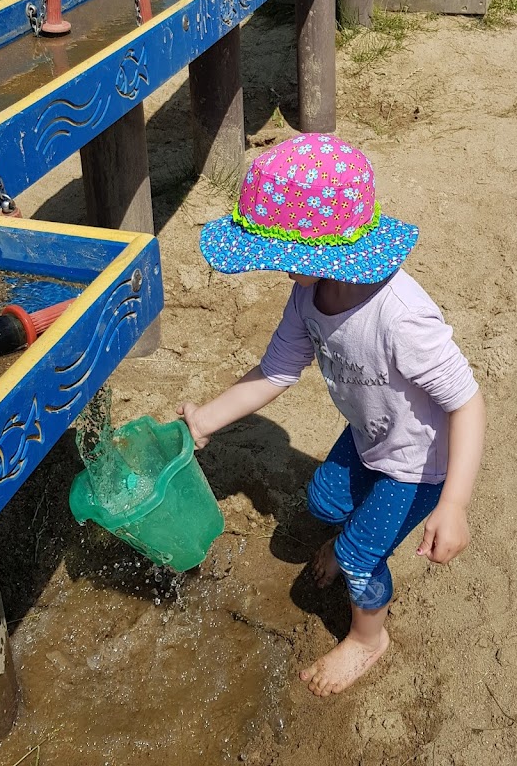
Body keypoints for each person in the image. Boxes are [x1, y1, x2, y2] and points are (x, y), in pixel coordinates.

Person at [178, 132, 486, 697]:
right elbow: (275, 370)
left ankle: (369, 638)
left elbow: (466, 403)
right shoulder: (308, 294)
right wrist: (203, 422)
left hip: (419, 463)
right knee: (324, 500)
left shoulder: (401, 318)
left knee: (359, 558)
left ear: (320, 254)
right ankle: (356, 538)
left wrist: (455, 504)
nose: (273, 269)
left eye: (279, 258)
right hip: (370, 434)